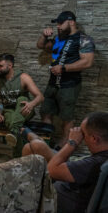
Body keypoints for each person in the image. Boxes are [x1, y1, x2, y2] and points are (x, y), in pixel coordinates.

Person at [22, 111, 108, 213]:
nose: (80, 137)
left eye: (83, 133)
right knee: (33, 147)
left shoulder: (95, 163)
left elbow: (51, 170)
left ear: (94, 139)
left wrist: (72, 142)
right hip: (66, 182)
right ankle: (33, 137)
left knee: (32, 149)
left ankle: (29, 134)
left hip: (53, 201)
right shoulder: (100, 158)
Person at [36, 11, 95, 148]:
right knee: (45, 112)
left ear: (72, 22)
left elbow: (87, 62)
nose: (58, 26)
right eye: (57, 23)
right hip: (52, 84)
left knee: (66, 117)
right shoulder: (59, 38)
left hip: (69, 85)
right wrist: (44, 36)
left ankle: (64, 147)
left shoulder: (83, 39)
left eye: (61, 23)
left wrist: (64, 68)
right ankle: (46, 143)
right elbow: (41, 46)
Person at [0, 53, 44, 157]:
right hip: (9, 109)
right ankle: (19, 156)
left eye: (0, 66)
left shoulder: (23, 77)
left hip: (24, 109)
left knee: (22, 99)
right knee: (12, 122)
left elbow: (40, 96)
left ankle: (14, 138)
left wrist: (31, 104)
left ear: (9, 66)